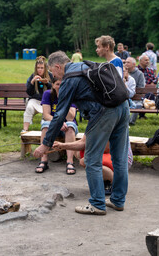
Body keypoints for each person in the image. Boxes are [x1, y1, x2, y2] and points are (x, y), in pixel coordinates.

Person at [33, 50, 129, 216]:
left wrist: (45, 144)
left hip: (104, 112)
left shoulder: (69, 79)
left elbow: (59, 115)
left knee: (91, 159)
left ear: (57, 66)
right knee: (119, 157)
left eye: (52, 72)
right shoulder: (86, 65)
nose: (53, 76)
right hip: (123, 107)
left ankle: (98, 204)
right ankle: (117, 200)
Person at [53, 135, 133, 196]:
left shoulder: (108, 120)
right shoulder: (94, 120)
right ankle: (105, 180)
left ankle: (116, 182)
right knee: (78, 152)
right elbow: (82, 142)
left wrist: (64, 146)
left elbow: (106, 148)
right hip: (106, 152)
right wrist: (63, 145)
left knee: (86, 161)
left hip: (121, 158)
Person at [35, 78, 78, 175]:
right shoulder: (47, 94)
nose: (60, 87)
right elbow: (46, 115)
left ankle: (70, 161)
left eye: (62, 84)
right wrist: (58, 122)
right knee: (45, 126)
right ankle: (44, 160)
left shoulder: (71, 95)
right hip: (53, 123)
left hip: (67, 124)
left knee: (70, 127)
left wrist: (63, 99)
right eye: (58, 84)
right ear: (53, 85)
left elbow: (71, 117)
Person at [21, 56, 53, 134]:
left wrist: (47, 83)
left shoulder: (50, 75)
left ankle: (45, 130)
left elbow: (55, 89)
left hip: (47, 101)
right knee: (29, 107)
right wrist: (32, 82)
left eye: (42, 68)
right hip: (35, 100)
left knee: (47, 112)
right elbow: (29, 93)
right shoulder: (33, 76)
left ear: (45, 68)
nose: (40, 70)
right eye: (38, 68)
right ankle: (25, 130)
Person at [125, 57, 145, 125]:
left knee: (137, 104)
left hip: (136, 96)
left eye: (128, 62)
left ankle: (131, 122)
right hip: (125, 96)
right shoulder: (122, 72)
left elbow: (141, 87)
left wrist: (131, 90)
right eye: (125, 62)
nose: (126, 64)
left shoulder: (139, 74)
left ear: (134, 64)